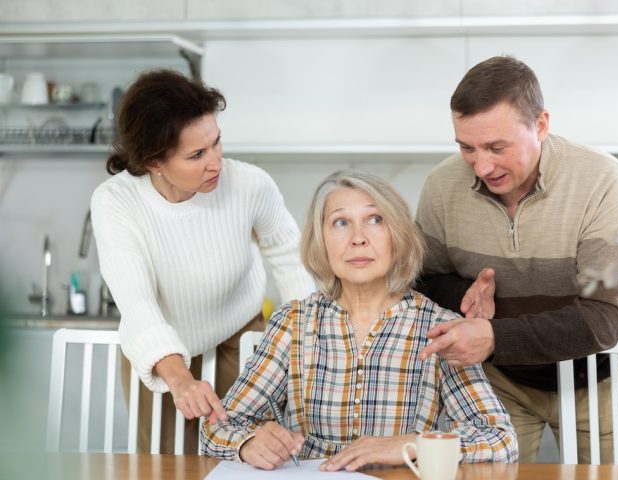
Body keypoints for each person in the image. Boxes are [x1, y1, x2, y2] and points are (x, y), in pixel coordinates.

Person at [201, 170, 518, 470]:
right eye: (340, 223)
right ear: (321, 242)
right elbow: (217, 429)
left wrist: (412, 445)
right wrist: (248, 442)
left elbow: (500, 438)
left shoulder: (442, 328)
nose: (358, 238)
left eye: (375, 220)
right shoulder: (292, 322)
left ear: (398, 235)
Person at [415, 56, 618, 464]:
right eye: (467, 147)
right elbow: (422, 282)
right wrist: (464, 292)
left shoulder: (604, 183)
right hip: (498, 382)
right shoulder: (441, 187)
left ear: (540, 125)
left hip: (594, 378)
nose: (482, 166)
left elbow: (604, 317)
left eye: (497, 147)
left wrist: (494, 336)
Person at [90, 69, 315, 454]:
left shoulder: (249, 184)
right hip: (158, 351)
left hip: (239, 337)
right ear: (154, 162)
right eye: (196, 155)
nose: (215, 163)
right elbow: (137, 302)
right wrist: (178, 379)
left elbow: (290, 258)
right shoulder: (116, 202)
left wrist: (308, 337)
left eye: (216, 143)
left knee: (249, 458)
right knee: (161, 465)